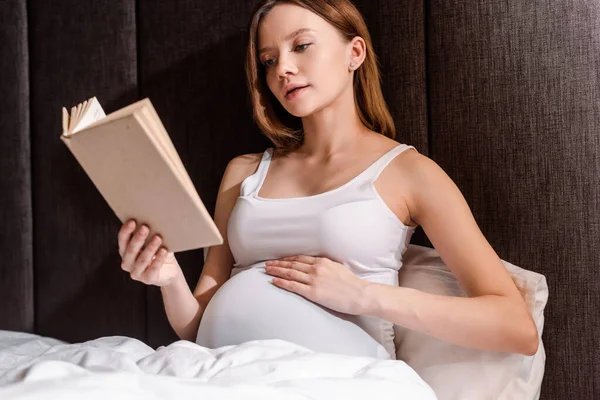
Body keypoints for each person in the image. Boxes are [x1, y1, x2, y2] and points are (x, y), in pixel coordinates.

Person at [117, 0, 539, 359]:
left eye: (301, 46)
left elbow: (516, 328)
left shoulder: (409, 173)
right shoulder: (244, 172)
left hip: (338, 380)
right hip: (223, 372)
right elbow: (196, 329)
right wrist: (169, 278)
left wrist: (362, 296)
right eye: (269, 60)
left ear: (354, 52)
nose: (283, 68)